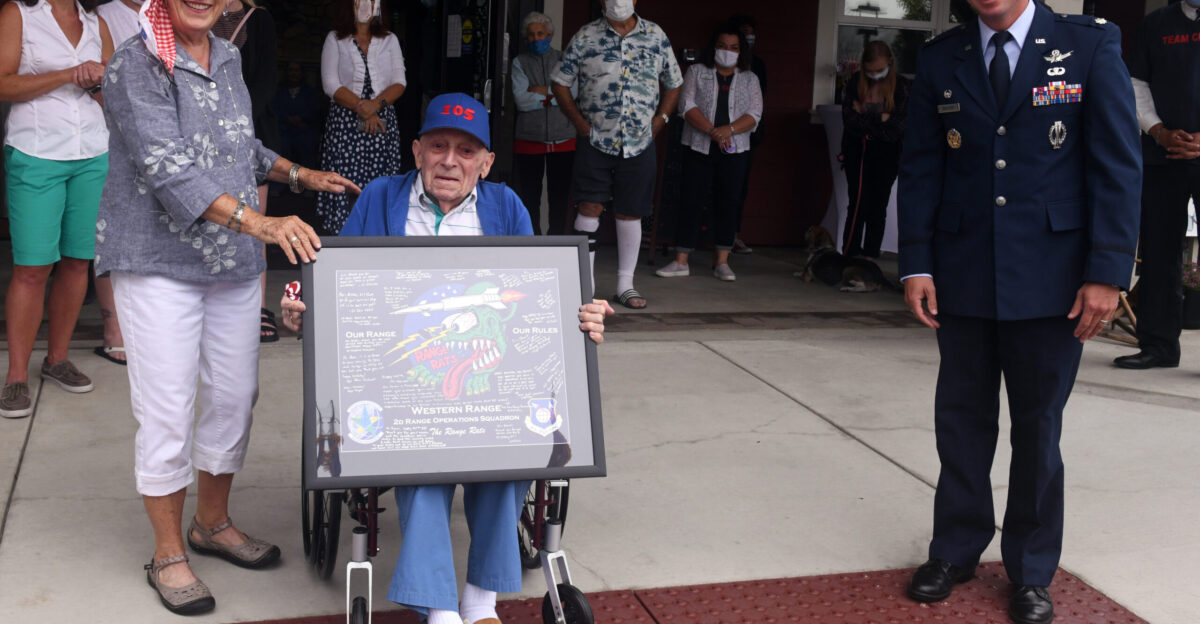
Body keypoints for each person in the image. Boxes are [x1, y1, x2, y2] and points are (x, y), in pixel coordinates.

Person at [281, 93, 613, 624]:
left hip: (484, 369)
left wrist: (580, 315)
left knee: (511, 454)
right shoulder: (380, 200)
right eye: (438, 146)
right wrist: (307, 308)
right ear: (417, 152)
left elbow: (532, 300)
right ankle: (440, 611)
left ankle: (481, 605)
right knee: (419, 458)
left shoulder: (506, 207)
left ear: (486, 163)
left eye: (466, 150)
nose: (450, 160)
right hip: (404, 376)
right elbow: (345, 290)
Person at [97, 0, 358, 613]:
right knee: (167, 407)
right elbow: (170, 170)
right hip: (159, 261)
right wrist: (263, 223)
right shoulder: (136, 64)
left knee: (236, 396)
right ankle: (167, 552)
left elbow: (241, 147)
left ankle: (210, 524)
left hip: (233, 263)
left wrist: (300, 174)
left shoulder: (230, 56)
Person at [897, 1, 1140, 623]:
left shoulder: (1089, 45)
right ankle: (954, 548)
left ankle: (1031, 569)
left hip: (1054, 280)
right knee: (961, 420)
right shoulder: (938, 57)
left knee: (1038, 429)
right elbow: (922, 166)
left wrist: (1107, 271)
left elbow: (1116, 164)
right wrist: (917, 263)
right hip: (963, 271)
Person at [0, 0, 114, 417]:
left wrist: (98, 82)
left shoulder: (94, 22)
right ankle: (15, 377)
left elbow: (111, 89)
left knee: (77, 262)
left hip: (92, 153)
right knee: (32, 268)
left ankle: (57, 360)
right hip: (36, 152)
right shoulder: (19, 14)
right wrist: (68, 74)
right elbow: (3, 84)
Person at [552, 0, 683, 310]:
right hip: (595, 139)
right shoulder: (585, 36)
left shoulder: (655, 35)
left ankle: (626, 284)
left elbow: (674, 82)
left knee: (631, 211)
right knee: (589, 207)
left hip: (640, 141)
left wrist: (660, 121)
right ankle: (587, 287)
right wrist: (580, 124)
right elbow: (560, 82)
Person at [1113, 0, 1200, 370]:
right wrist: (1158, 131)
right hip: (1161, 154)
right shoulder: (1156, 24)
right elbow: (1135, 83)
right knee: (1159, 250)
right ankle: (1158, 345)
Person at [654, 21, 761, 282]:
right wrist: (713, 130)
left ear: (741, 50)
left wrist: (730, 130)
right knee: (691, 199)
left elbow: (755, 113)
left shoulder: (750, 78)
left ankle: (722, 261)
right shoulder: (696, 71)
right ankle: (681, 260)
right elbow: (686, 105)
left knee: (729, 201)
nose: (728, 51)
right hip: (699, 146)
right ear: (714, 47)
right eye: (723, 46)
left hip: (736, 149)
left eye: (734, 47)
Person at [211, 0, 281, 342]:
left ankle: (256, 308)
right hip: (203, 132)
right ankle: (213, 307)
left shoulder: (259, 19)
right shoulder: (194, 13)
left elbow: (267, 80)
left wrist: (234, 123)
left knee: (256, 221)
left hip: (252, 131)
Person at [317, 0, 405, 235]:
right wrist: (361, 107)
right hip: (345, 126)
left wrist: (375, 105)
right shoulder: (335, 39)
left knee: (380, 185)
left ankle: (377, 240)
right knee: (345, 185)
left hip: (381, 124)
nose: (366, 3)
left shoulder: (390, 40)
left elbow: (399, 82)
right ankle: (345, 239)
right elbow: (330, 84)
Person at [91, 0, 145, 367]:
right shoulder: (106, 15)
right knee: (111, 232)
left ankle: (145, 325)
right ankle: (114, 327)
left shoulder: (170, 9)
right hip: (113, 136)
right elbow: (99, 81)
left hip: (160, 137)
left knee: (148, 232)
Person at [840, 40, 910, 259]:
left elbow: (898, 128)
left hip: (888, 153)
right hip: (857, 150)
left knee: (878, 205)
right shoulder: (855, 83)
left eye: (879, 70)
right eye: (870, 71)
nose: (875, 75)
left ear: (890, 62)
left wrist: (866, 112)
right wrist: (882, 117)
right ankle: (850, 254)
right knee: (857, 202)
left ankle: (870, 256)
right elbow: (850, 122)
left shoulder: (902, 86)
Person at [510, 11, 575, 236]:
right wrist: (556, 95)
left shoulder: (564, 59)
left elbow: (574, 93)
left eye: (540, 34)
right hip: (529, 138)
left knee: (559, 196)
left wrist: (541, 92)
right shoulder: (520, 62)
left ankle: (556, 241)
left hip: (564, 138)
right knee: (529, 196)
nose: (536, 39)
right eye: (531, 35)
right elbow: (521, 100)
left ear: (549, 34)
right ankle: (532, 241)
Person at [728, 13, 766, 254]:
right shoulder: (717, 66)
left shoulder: (758, 67)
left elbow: (760, 103)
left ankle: (733, 235)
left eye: (751, 33)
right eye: (744, 33)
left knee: (738, 187)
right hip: (719, 133)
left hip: (748, 134)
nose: (749, 37)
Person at [273, 60, 323, 169]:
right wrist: (288, 119)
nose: (293, 73)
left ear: (301, 73)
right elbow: (275, 110)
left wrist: (301, 119)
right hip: (284, 133)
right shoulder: (279, 90)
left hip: (305, 132)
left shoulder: (310, 92)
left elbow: (315, 111)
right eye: (291, 70)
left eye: (296, 70)